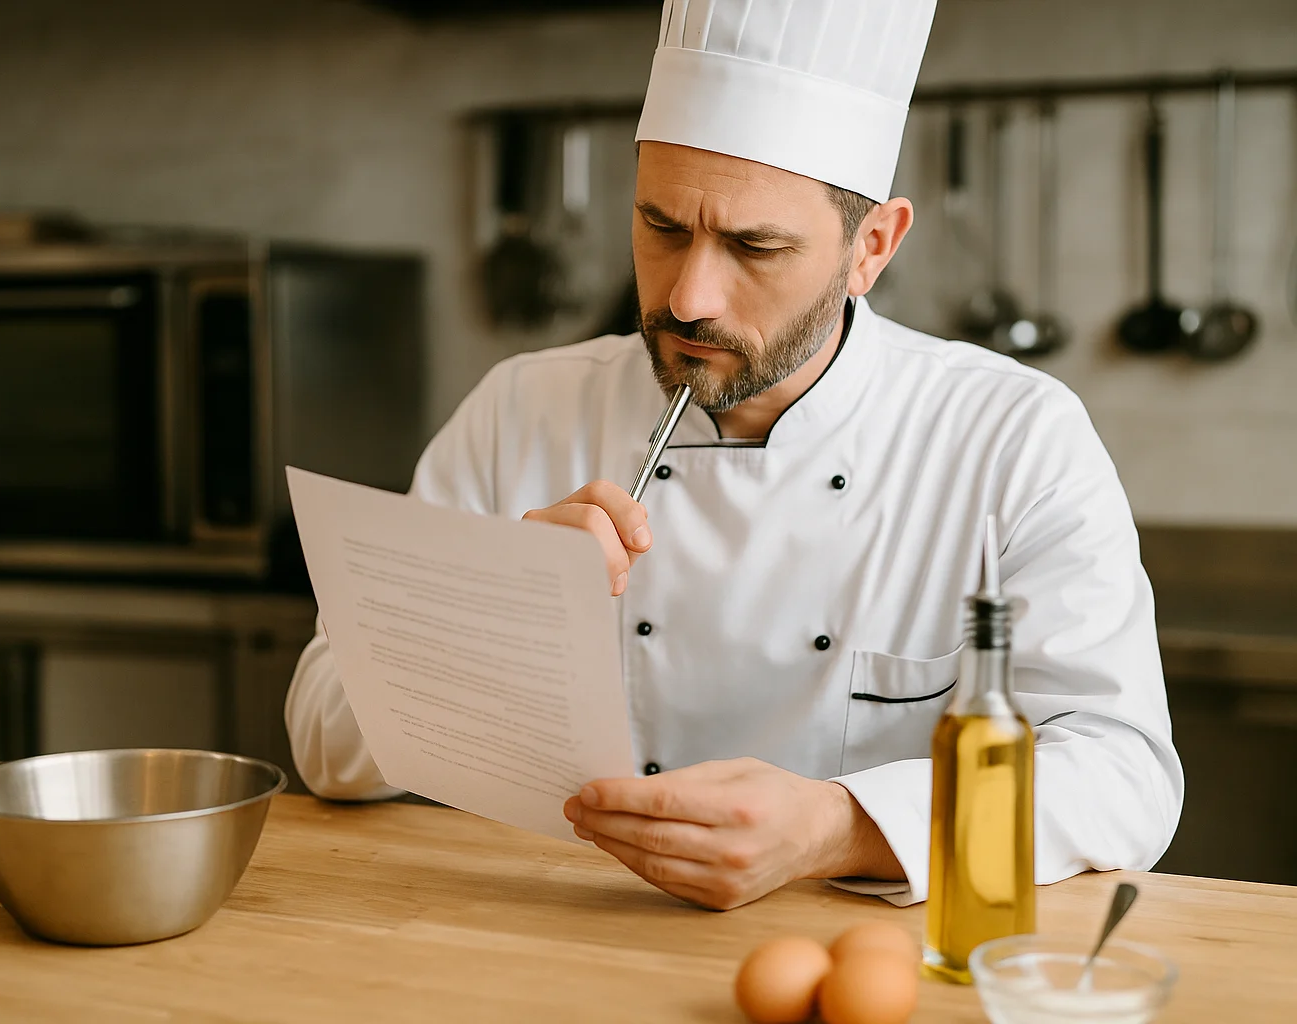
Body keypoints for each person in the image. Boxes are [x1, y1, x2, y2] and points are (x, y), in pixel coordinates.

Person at [286, 0, 1183, 911]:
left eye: (755, 246)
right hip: (551, 941)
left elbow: (1124, 774)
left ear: (871, 248)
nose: (687, 298)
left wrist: (844, 827)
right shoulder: (521, 408)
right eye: (661, 228)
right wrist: (491, 608)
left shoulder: (1011, 436)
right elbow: (324, 744)